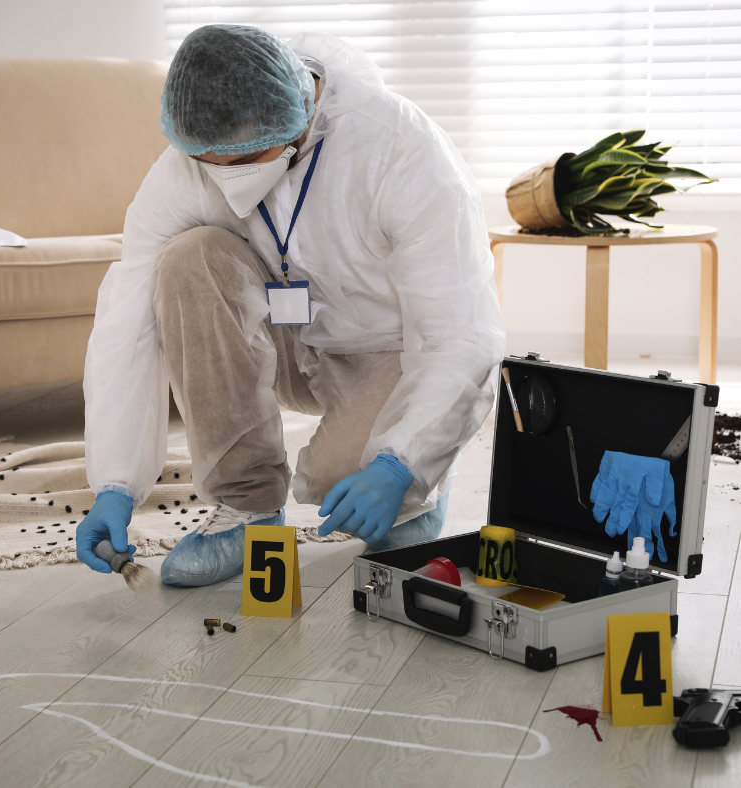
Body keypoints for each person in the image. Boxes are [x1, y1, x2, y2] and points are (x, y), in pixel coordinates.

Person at [76, 25, 506, 586]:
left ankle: (418, 500)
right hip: (281, 344)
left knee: (341, 480)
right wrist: (114, 483)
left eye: (248, 157)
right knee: (186, 258)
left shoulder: (399, 148)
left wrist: (402, 463)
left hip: (387, 355)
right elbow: (127, 318)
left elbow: (462, 331)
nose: (228, 176)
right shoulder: (187, 164)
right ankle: (248, 507)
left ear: (302, 111)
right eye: (209, 161)